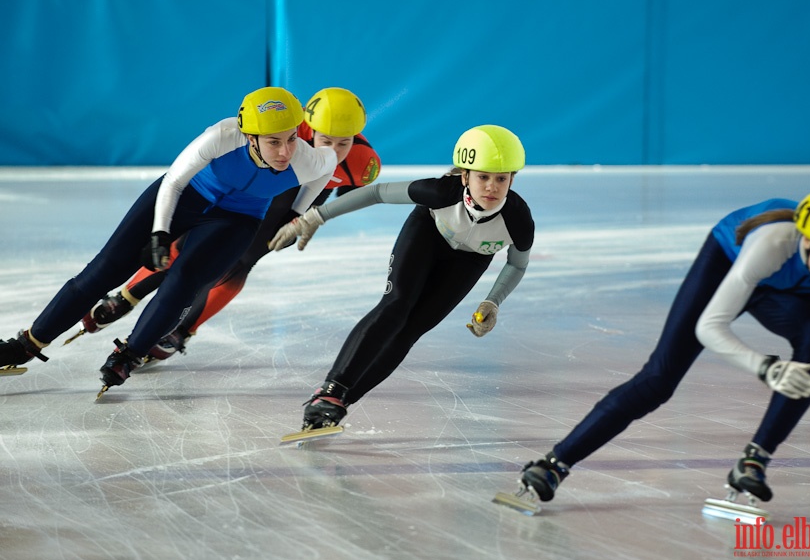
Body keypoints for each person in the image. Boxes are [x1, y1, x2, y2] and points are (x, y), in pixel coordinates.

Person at [508, 176, 810, 507]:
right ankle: (554, 465)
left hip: (779, 289)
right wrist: (767, 367)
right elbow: (710, 327)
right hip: (728, 263)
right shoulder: (771, 243)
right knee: (658, 380)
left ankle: (754, 461)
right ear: (808, 240)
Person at [0, 87, 338, 396]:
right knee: (105, 270)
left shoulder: (307, 159)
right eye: (274, 142)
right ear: (250, 137)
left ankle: (129, 355)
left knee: (183, 282)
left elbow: (327, 168)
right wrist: (160, 232)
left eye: (291, 139)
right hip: (185, 196)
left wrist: (295, 212)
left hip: (237, 218)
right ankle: (26, 344)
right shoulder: (221, 136)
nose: (285, 151)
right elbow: (175, 181)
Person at [68, 88, 379, 362]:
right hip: (260, 190)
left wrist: (309, 217)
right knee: (183, 247)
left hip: (292, 205)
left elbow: (346, 197)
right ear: (307, 127)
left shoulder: (363, 162)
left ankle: (185, 329)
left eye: (344, 143)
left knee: (236, 263)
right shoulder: (289, 128)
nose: (334, 152)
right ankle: (129, 293)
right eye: (325, 140)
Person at [268, 124, 535, 431]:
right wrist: (315, 216)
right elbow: (378, 192)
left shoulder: (518, 219)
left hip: (470, 259)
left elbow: (517, 264)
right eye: (482, 177)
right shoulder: (440, 192)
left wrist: (493, 301)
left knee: (412, 329)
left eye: (501, 178)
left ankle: (338, 405)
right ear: (465, 176)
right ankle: (330, 392)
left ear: (512, 179)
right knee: (396, 305)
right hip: (427, 235)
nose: (491, 187)